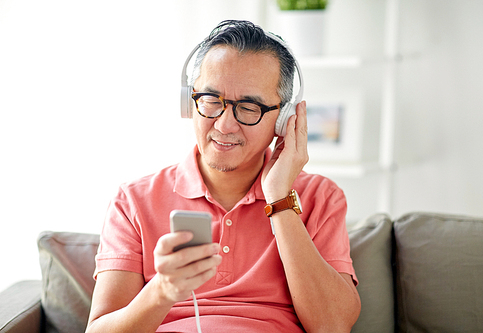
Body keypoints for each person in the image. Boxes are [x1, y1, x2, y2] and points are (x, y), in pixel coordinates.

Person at [86, 20, 360, 333]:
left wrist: (280, 200)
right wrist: (162, 291)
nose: (225, 124)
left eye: (249, 107)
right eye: (212, 100)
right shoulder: (133, 201)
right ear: (188, 103)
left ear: (285, 119)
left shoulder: (320, 197)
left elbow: (333, 326)